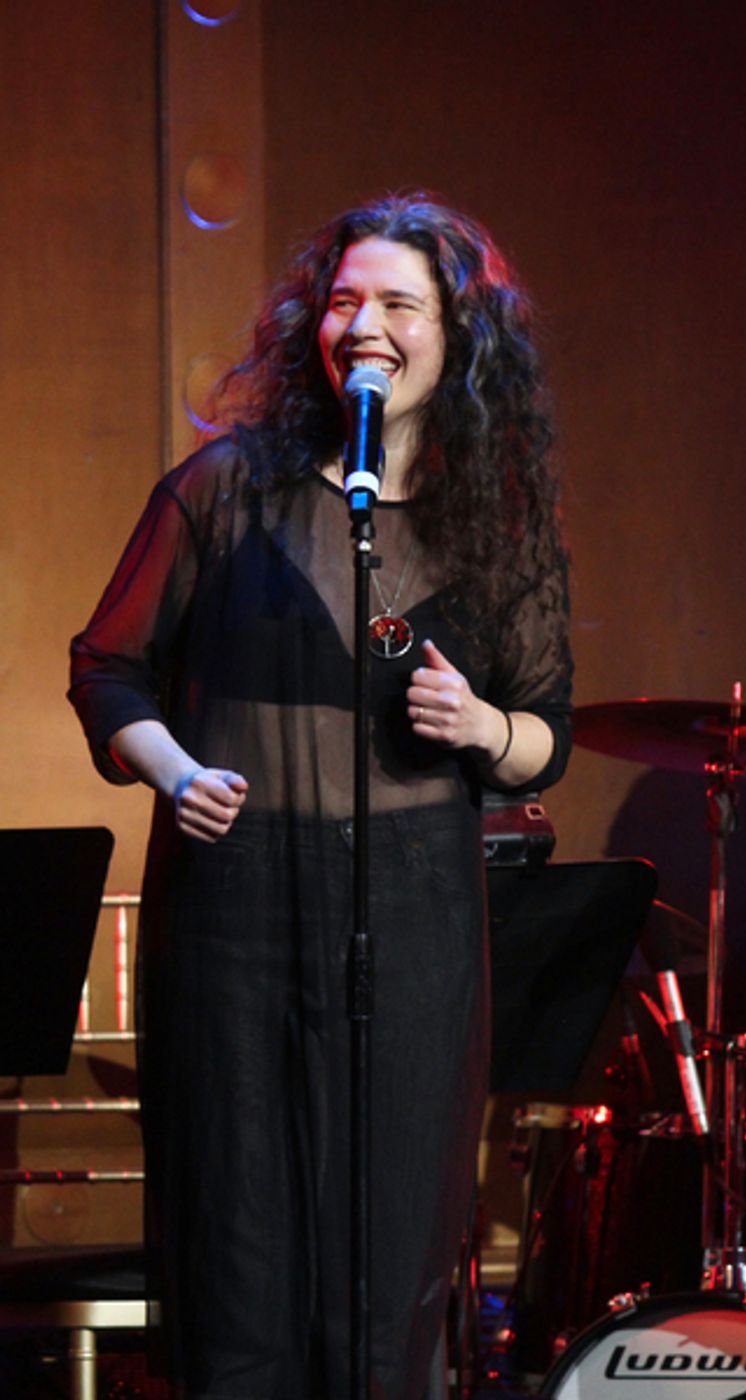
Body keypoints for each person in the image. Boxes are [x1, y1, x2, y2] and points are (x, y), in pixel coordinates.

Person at [69, 195, 572, 1399]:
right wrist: (175, 768)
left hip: (413, 907)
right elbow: (105, 666)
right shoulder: (225, 487)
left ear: (458, 335)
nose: (365, 325)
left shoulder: (496, 522)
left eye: (399, 302)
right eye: (345, 300)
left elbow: (545, 731)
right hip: (235, 907)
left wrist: (482, 726)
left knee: (386, 1258)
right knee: (237, 1248)